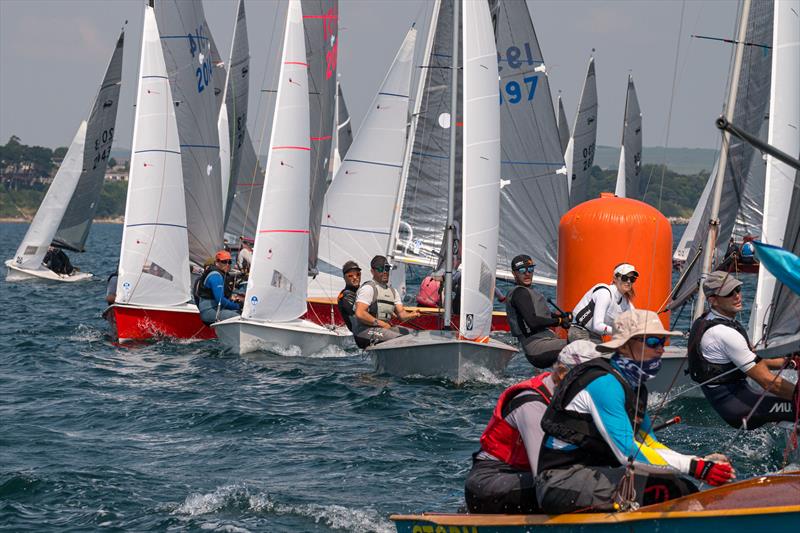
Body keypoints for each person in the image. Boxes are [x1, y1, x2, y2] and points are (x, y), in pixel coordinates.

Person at [536, 310, 735, 514]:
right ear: (624, 345)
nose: (660, 349)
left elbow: (651, 446)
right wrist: (696, 468)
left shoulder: (633, 388)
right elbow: (628, 454)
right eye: (652, 342)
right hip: (559, 482)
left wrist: (699, 462)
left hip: (596, 473)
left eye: (663, 342)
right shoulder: (604, 384)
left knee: (684, 486)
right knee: (667, 490)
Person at [464, 341, 603, 514]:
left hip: (524, 477)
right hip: (490, 483)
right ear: (561, 374)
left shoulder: (567, 399)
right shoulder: (532, 406)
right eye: (588, 380)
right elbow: (544, 474)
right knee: (573, 486)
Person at [687, 270, 797, 429]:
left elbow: (755, 360)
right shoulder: (723, 333)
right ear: (713, 300)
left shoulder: (709, 319)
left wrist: (790, 362)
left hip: (739, 396)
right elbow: (767, 381)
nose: (737, 296)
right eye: (729, 293)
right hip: (739, 410)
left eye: (737, 289)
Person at [505, 254, 570, 368]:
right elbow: (533, 322)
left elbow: (543, 315)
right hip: (537, 348)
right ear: (514, 273)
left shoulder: (528, 291)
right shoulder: (520, 293)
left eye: (530, 269)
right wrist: (559, 321)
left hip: (545, 341)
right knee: (581, 346)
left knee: (582, 344)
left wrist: (563, 318)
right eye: (522, 270)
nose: (527, 273)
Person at [353, 255, 420, 349]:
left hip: (382, 329)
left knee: (417, 336)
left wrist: (411, 315)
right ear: (372, 271)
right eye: (380, 269)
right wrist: (382, 324)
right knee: (401, 340)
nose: (385, 272)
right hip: (364, 331)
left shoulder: (393, 291)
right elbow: (360, 313)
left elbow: (401, 314)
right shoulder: (368, 288)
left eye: (387, 269)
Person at [570, 263, 637, 343]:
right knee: (599, 355)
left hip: (595, 336)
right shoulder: (605, 293)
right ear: (615, 278)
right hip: (579, 331)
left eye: (632, 279)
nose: (629, 281)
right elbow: (597, 326)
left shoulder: (626, 303)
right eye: (625, 278)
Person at [196, 250, 243, 325]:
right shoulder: (215, 276)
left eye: (229, 262)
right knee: (239, 317)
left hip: (217, 309)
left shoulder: (221, 274)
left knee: (241, 313)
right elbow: (220, 300)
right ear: (217, 262)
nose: (227, 264)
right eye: (224, 262)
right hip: (210, 311)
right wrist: (237, 306)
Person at [338, 260, 361, 333]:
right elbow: (360, 316)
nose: (355, 277)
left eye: (358, 274)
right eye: (350, 275)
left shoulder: (361, 291)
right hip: (361, 333)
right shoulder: (346, 295)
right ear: (344, 278)